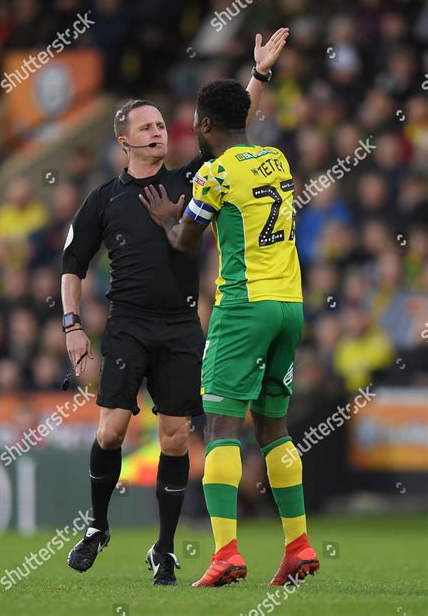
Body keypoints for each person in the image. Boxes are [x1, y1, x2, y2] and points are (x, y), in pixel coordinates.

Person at [61, 29, 289, 585]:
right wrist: (71, 324)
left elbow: (234, 129)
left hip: (183, 325)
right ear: (125, 142)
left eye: (162, 124)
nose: (159, 131)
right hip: (128, 325)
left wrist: (258, 75)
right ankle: (97, 526)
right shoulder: (103, 200)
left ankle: (164, 548)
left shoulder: (193, 178)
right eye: (146, 127)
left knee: (174, 439)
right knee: (112, 429)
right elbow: (72, 264)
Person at [139, 77, 319, 587]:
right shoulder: (276, 159)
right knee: (273, 430)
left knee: (220, 429)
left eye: (196, 119)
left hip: (243, 308)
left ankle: (225, 555)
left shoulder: (214, 176)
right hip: (290, 305)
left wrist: (166, 219)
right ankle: (299, 545)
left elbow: (183, 240)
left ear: (205, 124)